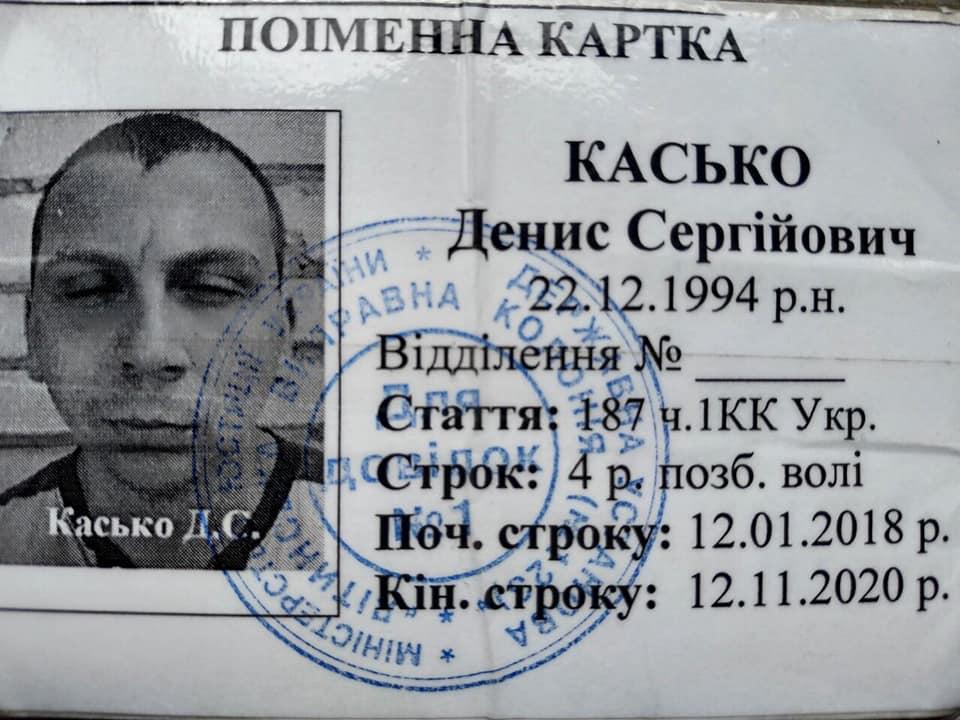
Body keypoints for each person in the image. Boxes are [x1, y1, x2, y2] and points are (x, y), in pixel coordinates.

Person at [0, 113, 323, 569]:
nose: (149, 352)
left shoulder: (365, 526)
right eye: (90, 290)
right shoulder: (9, 539)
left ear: (284, 328)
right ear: (32, 333)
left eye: (212, 288)